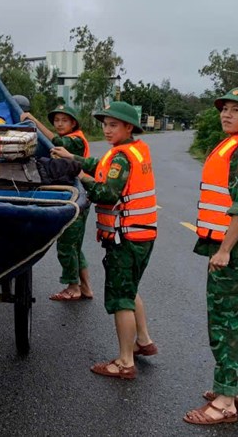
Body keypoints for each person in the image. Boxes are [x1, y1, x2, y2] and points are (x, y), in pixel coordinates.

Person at [184, 87, 238, 426]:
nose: (226, 114)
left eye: (236, 110)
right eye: (225, 109)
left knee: (227, 321)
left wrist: (224, 249)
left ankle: (224, 401)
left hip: (236, 249)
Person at [53, 101, 158, 378]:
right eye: (105, 125)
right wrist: (73, 158)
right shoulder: (135, 150)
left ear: (129, 127)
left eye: (113, 125)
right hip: (141, 234)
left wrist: (80, 176)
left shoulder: (121, 157)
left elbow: (107, 193)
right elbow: (100, 166)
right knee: (129, 288)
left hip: (125, 236)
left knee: (120, 298)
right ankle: (143, 341)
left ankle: (125, 362)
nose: (107, 130)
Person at [23, 104, 94, 301]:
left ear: (73, 123)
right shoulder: (71, 139)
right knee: (75, 246)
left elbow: (56, 140)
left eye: (64, 120)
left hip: (78, 198)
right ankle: (85, 287)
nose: (59, 124)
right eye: (56, 120)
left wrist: (33, 120)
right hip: (80, 196)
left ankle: (73, 287)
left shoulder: (75, 141)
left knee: (66, 245)